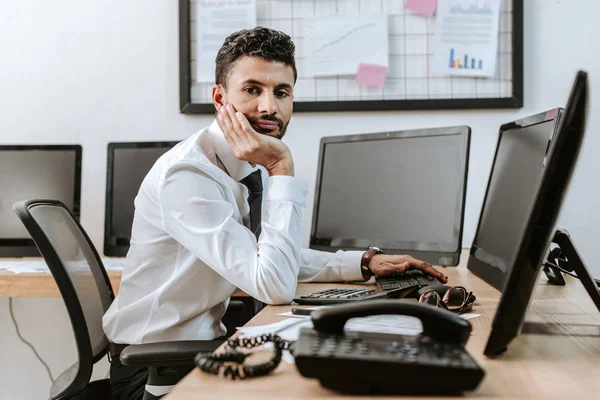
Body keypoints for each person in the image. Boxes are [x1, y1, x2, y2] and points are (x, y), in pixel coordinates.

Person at [103, 26, 448, 399]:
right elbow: (273, 285)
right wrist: (281, 166)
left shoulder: (243, 162)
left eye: (281, 93)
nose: (269, 107)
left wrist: (364, 263)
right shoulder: (188, 174)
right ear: (219, 98)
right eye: (253, 90)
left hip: (196, 353)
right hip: (156, 372)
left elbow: (264, 257)